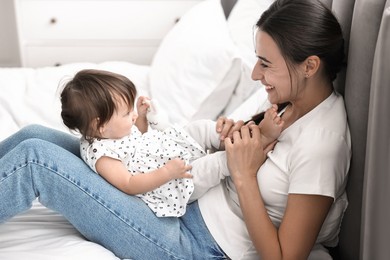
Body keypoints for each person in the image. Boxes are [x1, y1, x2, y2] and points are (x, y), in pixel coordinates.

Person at [0, 0, 350, 259]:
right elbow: (234, 147)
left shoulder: (322, 143)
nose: (255, 75)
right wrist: (226, 134)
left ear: (310, 66)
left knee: (36, 160)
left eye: (266, 64)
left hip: (195, 244)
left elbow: (285, 257)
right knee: (36, 135)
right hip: (177, 200)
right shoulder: (284, 97)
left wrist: (242, 177)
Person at [59, 69, 283, 217]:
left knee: (201, 127)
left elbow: (137, 141)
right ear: (100, 126)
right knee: (211, 166)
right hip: (171, 184)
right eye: (127, 113)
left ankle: (232, 138)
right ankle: (249, 148)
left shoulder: (110, 131)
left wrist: (142, 117)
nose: (132, 117)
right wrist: (167, 172)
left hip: (166, 152)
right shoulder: (103, 156)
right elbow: (129, 184)